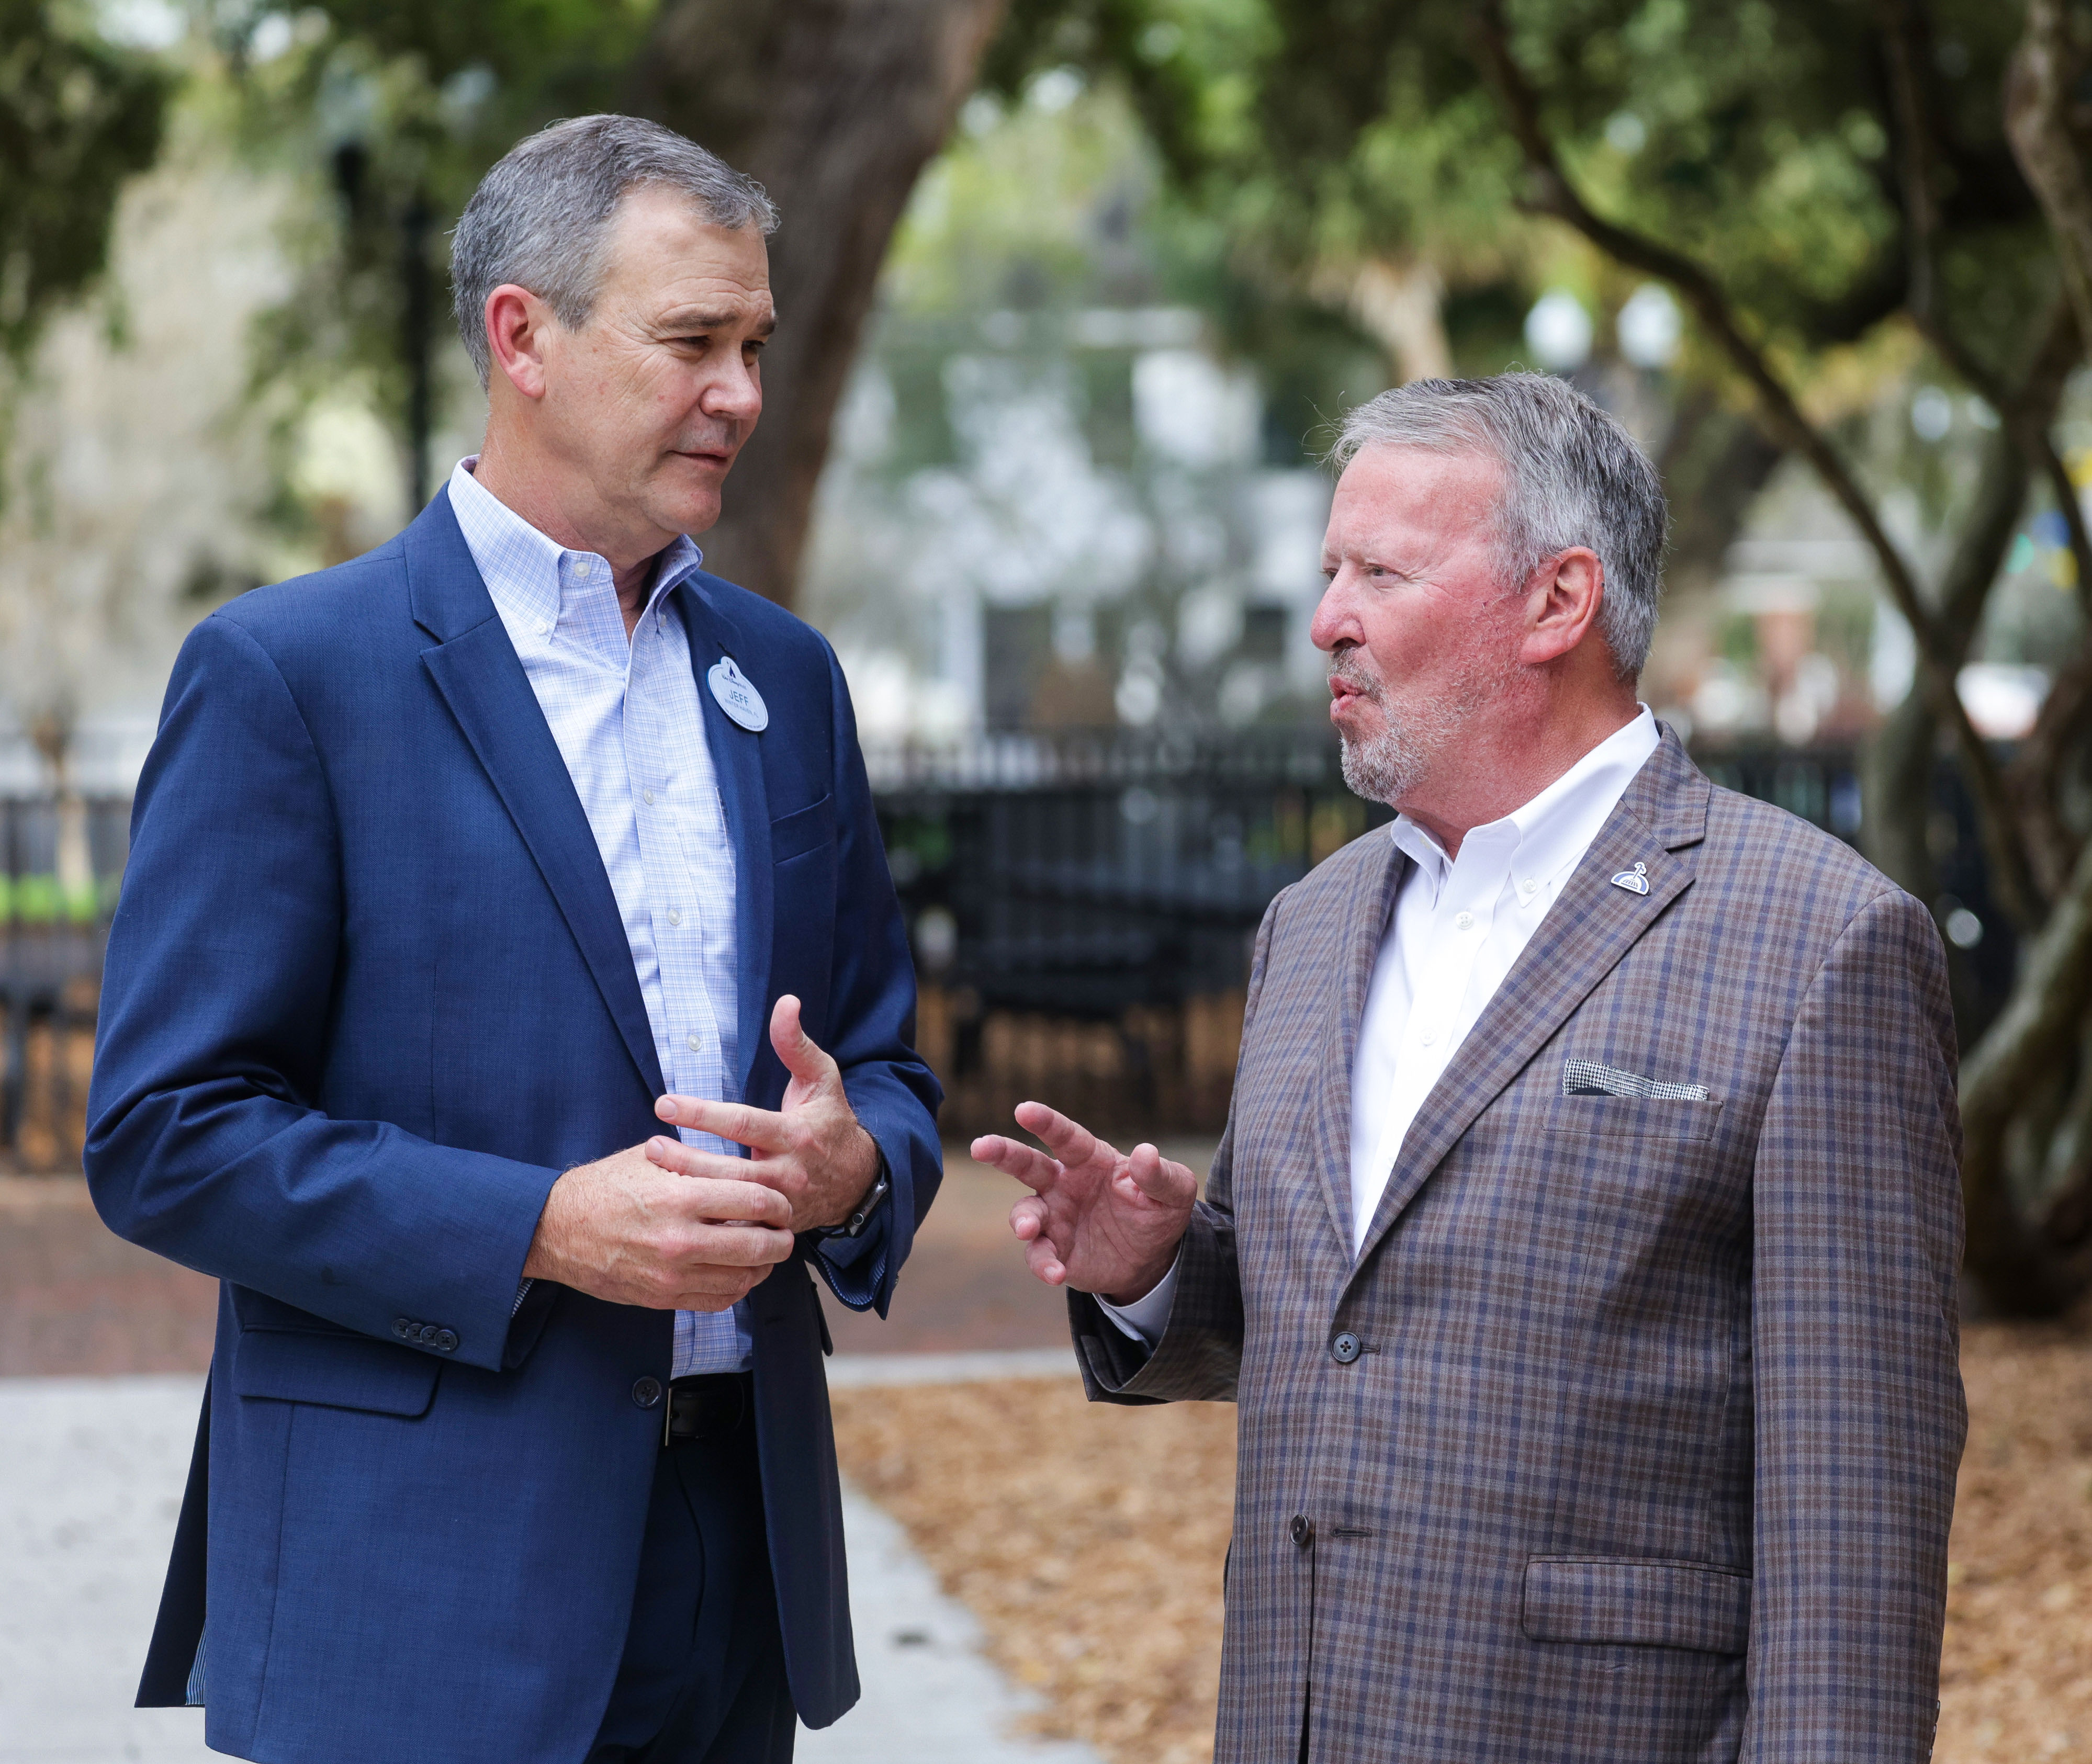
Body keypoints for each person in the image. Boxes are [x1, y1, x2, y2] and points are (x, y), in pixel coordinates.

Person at [85, 115, 940, 1764]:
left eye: (755, 345)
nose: (743, 393)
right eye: (694, 340)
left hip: (735, 1559)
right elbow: (166, 1135)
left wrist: (854, 1168)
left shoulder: (787, 681)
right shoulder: (291, 676)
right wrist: (542, 1225)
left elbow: (883, 1065)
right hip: (419, 1580)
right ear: (521, 336)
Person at [974, 373, 1965, 1763]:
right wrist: (1153, 1269)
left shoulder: (1822, 943)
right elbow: (1350, 1331)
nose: (1328, 618)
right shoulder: (1308, 929)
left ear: (1560, 602)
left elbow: (1855, 1521)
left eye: (1381, 570)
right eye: (1330, 571)